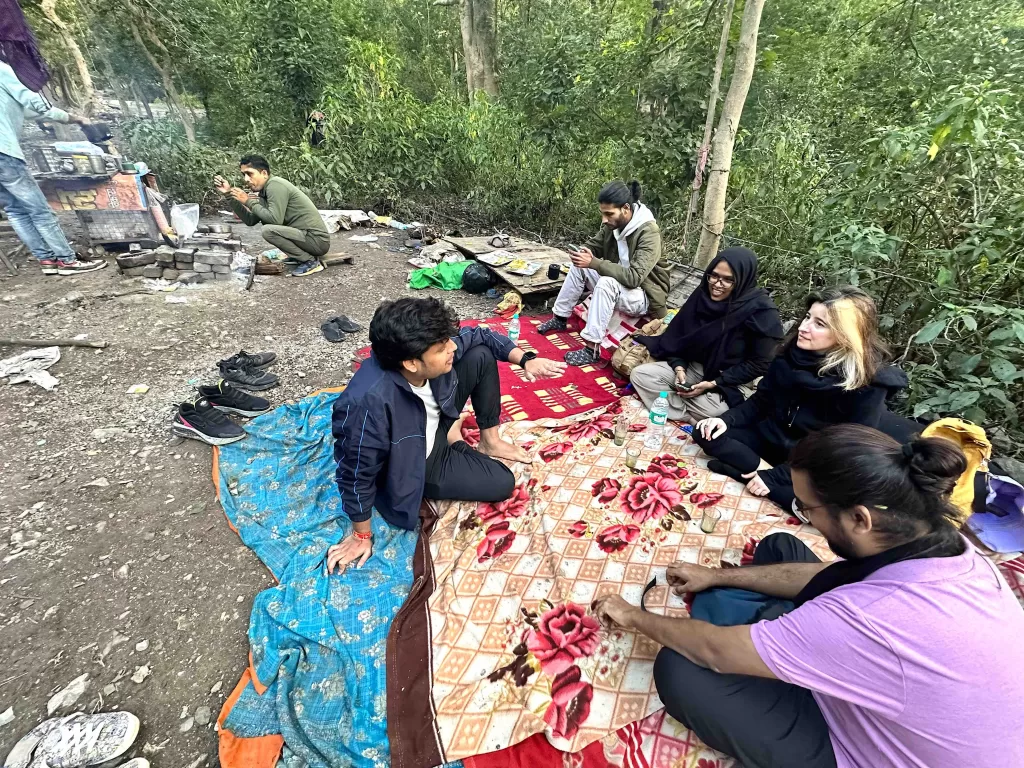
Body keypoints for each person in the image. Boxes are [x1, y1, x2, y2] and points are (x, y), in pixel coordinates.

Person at [594, 424, 1024, 768]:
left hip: (871, 750)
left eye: (806, 508)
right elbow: (834, 574)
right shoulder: (950, 549)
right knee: (780, 546)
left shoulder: (869, 616)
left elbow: (713, 651)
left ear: (859, 518)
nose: (804, 517)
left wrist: (631, 615)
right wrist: (711, 576)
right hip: (919, 705)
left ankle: (776, 643)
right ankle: (774, 634)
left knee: (681, 668)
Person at [327, 297, 566, 574]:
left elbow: (481, 335)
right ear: (411, 363)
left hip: (432, 423)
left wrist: (526, 360)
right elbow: (356, 472)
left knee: (479, 353)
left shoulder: (427, 347)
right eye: (442, 348)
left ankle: (489, 440)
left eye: (447, 341)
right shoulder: (367, 403)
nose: (451, 347)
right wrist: (361, 534)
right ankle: (455, 439)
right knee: (502, 482)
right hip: (417, 463)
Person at [692, 286, 906, 510]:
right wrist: (725, 421)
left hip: (812, 460)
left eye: (819, 324)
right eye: (807, 317)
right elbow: (761, 401)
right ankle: (769, 479)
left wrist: (779, 476)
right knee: (705, 431)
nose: (804, 327)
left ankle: (766, 480)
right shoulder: (790, 355)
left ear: (845, 335)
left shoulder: (867, 383)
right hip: (771, 440)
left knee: (835, 505)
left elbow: (842, 450)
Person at [630, 247, 783, 424]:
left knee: (718, 412)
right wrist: (680, 368)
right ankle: (687, 415)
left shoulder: (762, 311)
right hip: (694, 368)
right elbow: (678, 339)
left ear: (742, 280)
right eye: (714, 275)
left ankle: (683, 406)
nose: (717, 285)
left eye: (728, 280)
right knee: (641, 375)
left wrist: (714, 384)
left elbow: (761, 363)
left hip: (730, 377)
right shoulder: (702, 295)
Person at [538, 180, 671, 366]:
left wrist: (594, 263)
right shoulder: (614, 226)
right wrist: (582, 252)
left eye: (609, 214)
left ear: (626, 208)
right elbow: (596, 244)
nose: (604, 219)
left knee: (606, 282)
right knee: (580, 266)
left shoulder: (649, 233)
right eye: (603, 213)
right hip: (621, 285)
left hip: (645, 294)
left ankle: (591, 348)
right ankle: (560, 317)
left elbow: (634, 278)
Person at [0, 59, 105, 276]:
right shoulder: (3, 69)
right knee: (40, 211)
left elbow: (34, 113)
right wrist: (39, 99)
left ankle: (47, 260)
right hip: (4, 153)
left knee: (15, 210)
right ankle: (67, 262)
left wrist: (77, 119)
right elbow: (32, 101)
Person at [214, 154, 330, 277]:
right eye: (244, 175)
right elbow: (250, 220)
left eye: (250, 174)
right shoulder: (264, 192)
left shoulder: (275, 185)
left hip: (316, 240)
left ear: (264, 173)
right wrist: (228, 194)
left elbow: (275, 220)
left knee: (268, 230)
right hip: (305, 238)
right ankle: (300, 257)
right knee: (268, 229)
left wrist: (248, 201)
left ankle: (309, 261)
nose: (246, 179)